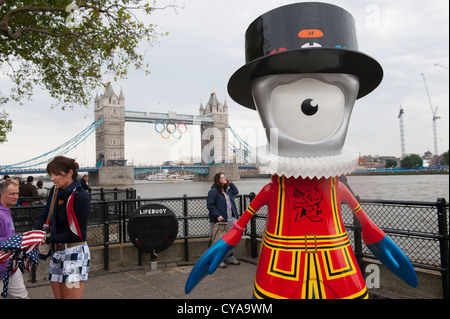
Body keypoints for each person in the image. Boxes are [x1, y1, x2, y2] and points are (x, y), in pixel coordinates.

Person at [33, 156, 90, 299]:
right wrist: (32, 235)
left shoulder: (80, 196)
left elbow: (77, 234)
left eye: (56, 174)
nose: (52, 178)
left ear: (70, 173)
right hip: (57, 252)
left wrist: (47, 240)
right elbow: (44, 217)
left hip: (74, 253)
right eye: (51, 174)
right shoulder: (55, 191)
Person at [0, 181, 29, 299]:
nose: (16, 196)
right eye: (12, 193)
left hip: (11, 267)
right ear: (1, 195)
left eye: (17, 193)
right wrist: (17, 240)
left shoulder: (7, 212)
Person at [206, 172, 240, 268]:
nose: (225, 178)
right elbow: (210, 205)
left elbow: (236, 192)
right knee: (218, 241)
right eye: (222, 177)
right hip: (219, 220)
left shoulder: (227, 190)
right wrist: (217, 215)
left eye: (225, 177)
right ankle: (218, 259)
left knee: (229, 240)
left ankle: (230, 257)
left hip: (229, 219)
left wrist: (229, 183)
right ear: (218, 180)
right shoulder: (213, 191)